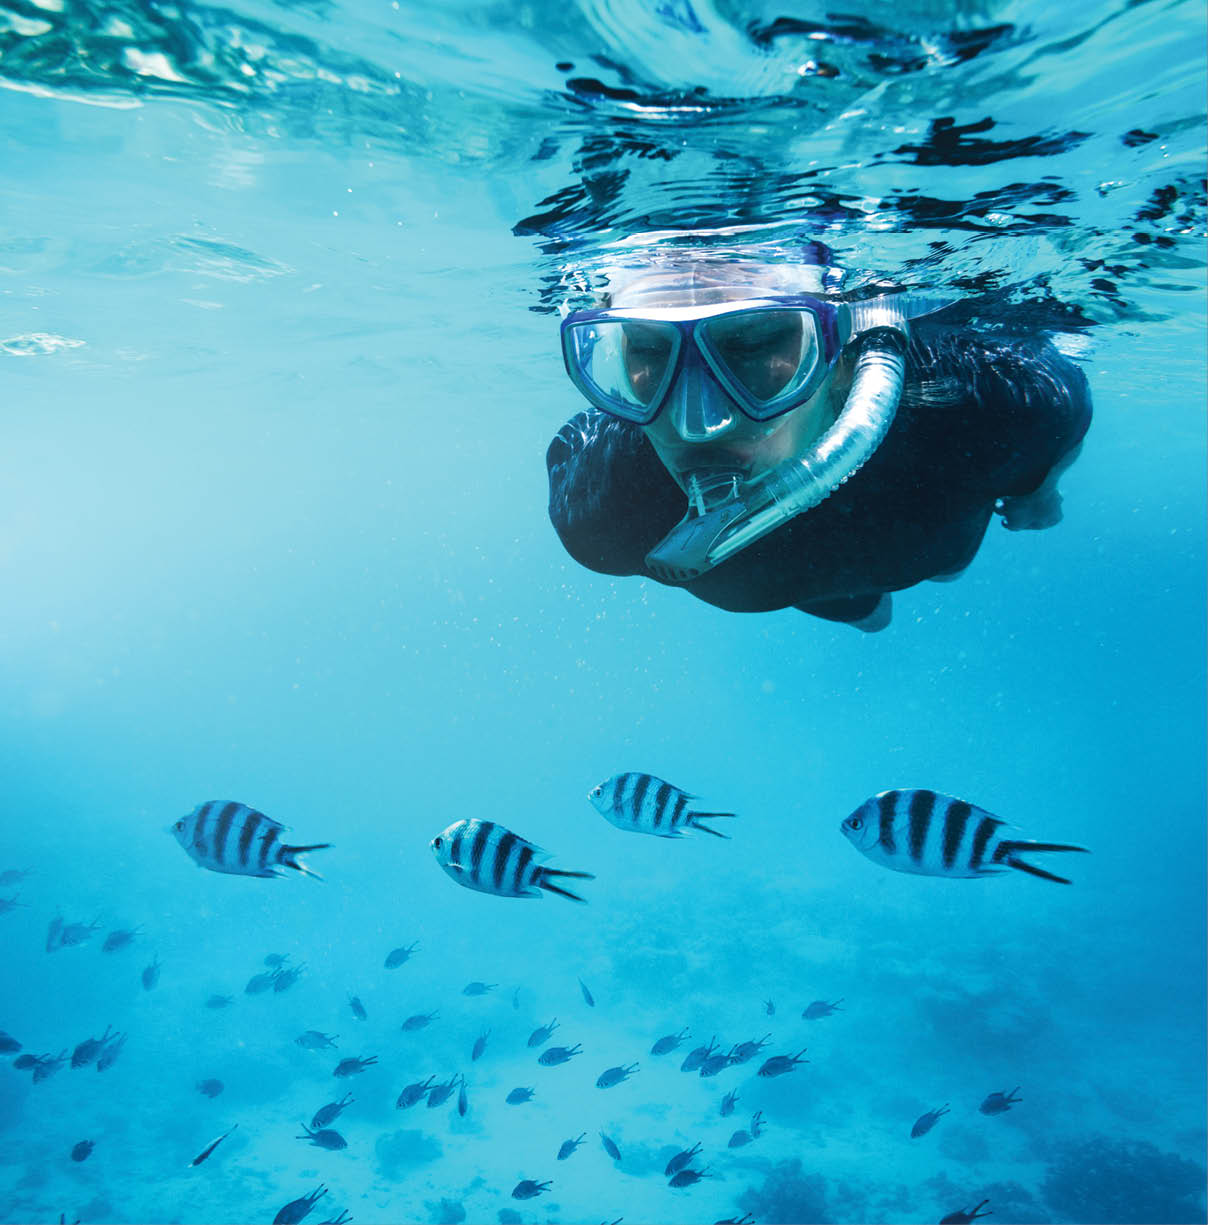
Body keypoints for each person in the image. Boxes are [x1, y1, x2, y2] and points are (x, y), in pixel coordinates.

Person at [545, 243, 1091, 630]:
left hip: (929, 545)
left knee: (945, 572)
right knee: (866, 616)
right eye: (648, 348)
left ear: (842, 357)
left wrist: (1044, 488)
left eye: (755, 344)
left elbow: (1061, 407)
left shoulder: (985, 402)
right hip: (811, 588)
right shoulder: (602, 511)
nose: (698, 424)